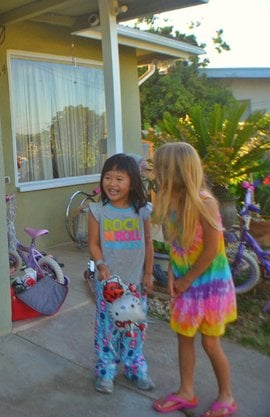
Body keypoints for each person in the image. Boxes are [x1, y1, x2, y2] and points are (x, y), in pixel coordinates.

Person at [151, 142, 238, 417]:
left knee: (210, 343)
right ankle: (186, 391)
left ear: (177, 171)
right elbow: (174, 247)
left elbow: (212, 250)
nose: (156, 173)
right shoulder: (170, 200)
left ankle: (227, 396)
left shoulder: (205, 202)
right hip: (185, 282)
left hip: (210, 285)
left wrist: (187, 279)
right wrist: (170, 276)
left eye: (161, 168)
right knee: (184, 337)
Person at [88, 153, 154, 394]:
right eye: (108, 177)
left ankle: (135, 366)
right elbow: (94, 243)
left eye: (119, 178)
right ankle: (106, 370)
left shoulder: (142, 211)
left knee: (134, 326)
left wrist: (148, 274)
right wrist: (101, 263)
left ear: (132, 182)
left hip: (135, 281)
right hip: (109, 285)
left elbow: (148, 242)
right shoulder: (97, 211)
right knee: (108, 327)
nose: (112, 184)